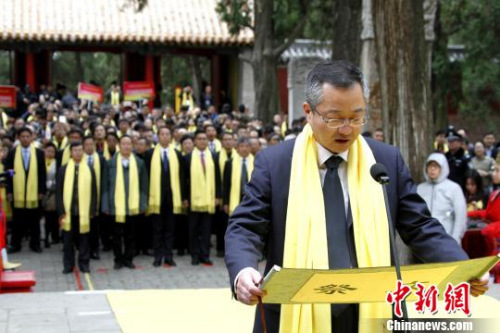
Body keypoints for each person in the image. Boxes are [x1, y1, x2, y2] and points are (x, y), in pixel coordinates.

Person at [225, 60, 489, 333]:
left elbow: (420, 226)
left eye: (356, 117)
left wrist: (463, 266)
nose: (347, 129)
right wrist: (244, 271)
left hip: (373, 308)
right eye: (335, 117)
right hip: (296, 311)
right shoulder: (277, 163)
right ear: (308, 112)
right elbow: (245, 226)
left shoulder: (385, 161)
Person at [101, 135, 148, 270]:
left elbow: (144, 186)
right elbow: (105, 185)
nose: (126, 146)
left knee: (131, 235)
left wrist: (143, 204)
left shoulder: (139, 163)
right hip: (115, 205)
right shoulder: (111, 163)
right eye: (123, 144)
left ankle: (128, 259)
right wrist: (105, 205)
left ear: (132, 146)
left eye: (129, 144)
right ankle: (118, 259)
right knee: (116, 235)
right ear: (119, 146)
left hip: (133, 206)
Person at [145, 127, 187, 267]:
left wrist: (183, 197)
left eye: (167, 134)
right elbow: (146, 177)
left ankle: (168, 256)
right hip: (156, 198)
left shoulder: (177, 154)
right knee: (157, 229)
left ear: (171, 137)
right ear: (158, 137)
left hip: (172, 199)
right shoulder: (150, 154)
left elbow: (182, 178)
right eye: (162, 134)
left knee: (170, 230)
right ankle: (157, 257)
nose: (164, 136)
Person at [56, 142, 97, 274]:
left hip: (83, 212)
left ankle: (84, 264)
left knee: (84, 240)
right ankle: (68, 265)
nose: (78, 153)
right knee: (68, 241)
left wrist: (92, 209)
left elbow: (94, 191)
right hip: (68, 212)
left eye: (80, 150)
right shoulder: (63, 169)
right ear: (71, 152)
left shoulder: (89, 169)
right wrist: (61, 210)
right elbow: (59, 192)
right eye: (75, 151)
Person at [5, 127, 46, 253]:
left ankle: (35, 244)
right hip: (18, 193)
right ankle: (15, 244)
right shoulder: (12, 153)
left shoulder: (39, 152)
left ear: (32, 137)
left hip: (34, 193)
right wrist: (10, 191)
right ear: (18, 137)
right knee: (17, 221)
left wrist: (41, 191)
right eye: (22, 136)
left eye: (28, 136)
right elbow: (9, 173)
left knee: (34, 220)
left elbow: (41, 174)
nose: (25, 139)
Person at [185, 130, 221, 266]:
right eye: (199, 139)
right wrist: (185, 198)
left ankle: (205, 255)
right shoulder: (188, 157)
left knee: (206, 230)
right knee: (193, 230)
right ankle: (194, 255)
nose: (202, 141)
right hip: (193, 200)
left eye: (204, 139)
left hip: (208, 200)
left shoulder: (213, 156)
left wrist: (218, 196)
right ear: (195, 141)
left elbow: (217, 178)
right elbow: (184, 180)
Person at [417, 153, 467, 244]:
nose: (432, 169)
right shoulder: (420, 189)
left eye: (436, 166)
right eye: (430, 166)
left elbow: (461, 216)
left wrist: (455, 239)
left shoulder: (454, 188)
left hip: (447, 238)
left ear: (443, 168)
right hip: (423, 240)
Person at [83, 136, 107, 260]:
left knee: (95, 227)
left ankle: (95, 249)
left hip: (97, 199)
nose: (89, 147)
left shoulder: (101, 159)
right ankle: (84, 249)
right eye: (86, 144)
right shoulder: (79, 160)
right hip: (83, 199)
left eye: (91, 144)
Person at [43, 143, 59, 248]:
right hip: (43, 191)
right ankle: (46, 236)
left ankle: (55, 236)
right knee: (46, 217)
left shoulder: (57, 163)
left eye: (52, 151)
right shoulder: (41, 162)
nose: (50, 153)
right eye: (48, 151)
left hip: (53, 192)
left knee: (53, 216)